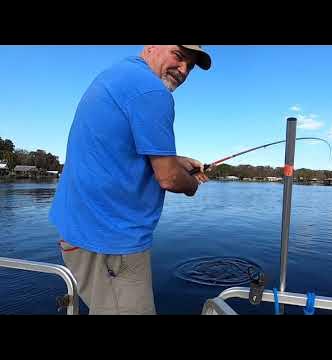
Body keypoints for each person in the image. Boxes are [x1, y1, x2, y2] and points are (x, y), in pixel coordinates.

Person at [49, 45, 212, 315]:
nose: (183, 70)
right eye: (179, 57)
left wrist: (177, 160)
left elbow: (121, 147)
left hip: (79, 232)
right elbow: (169, 178)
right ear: (152, 46)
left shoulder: (118, 74)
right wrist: (192, 184)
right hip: (109, 244)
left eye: (190, 66)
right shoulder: (152, 92)